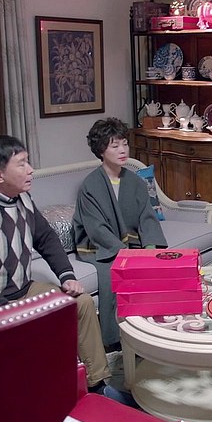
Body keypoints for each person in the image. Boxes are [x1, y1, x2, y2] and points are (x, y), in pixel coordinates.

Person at [0, 135, 111, 393]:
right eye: (22, 164)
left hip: (22, 291)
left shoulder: (22, 199)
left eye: (28, 161)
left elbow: (45, 238)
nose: (31, 169)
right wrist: (5, 310)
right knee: (24, 332)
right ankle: (40, 395)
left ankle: (97, 384)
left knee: (81, 303)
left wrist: (67, 275)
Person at [73, 118, 167, 352]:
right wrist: (124, 253)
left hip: (128, 242)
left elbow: (147, 216)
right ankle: (113, 341)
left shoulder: (134, 181)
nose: (123, 150)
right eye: (114, 146)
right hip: (98, 246)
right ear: (101, 151)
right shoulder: (90, 186)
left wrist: (150, 248)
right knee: (112, 274)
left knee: (154, 268)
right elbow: (96, 228)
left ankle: (150, 332)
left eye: (124, 143)